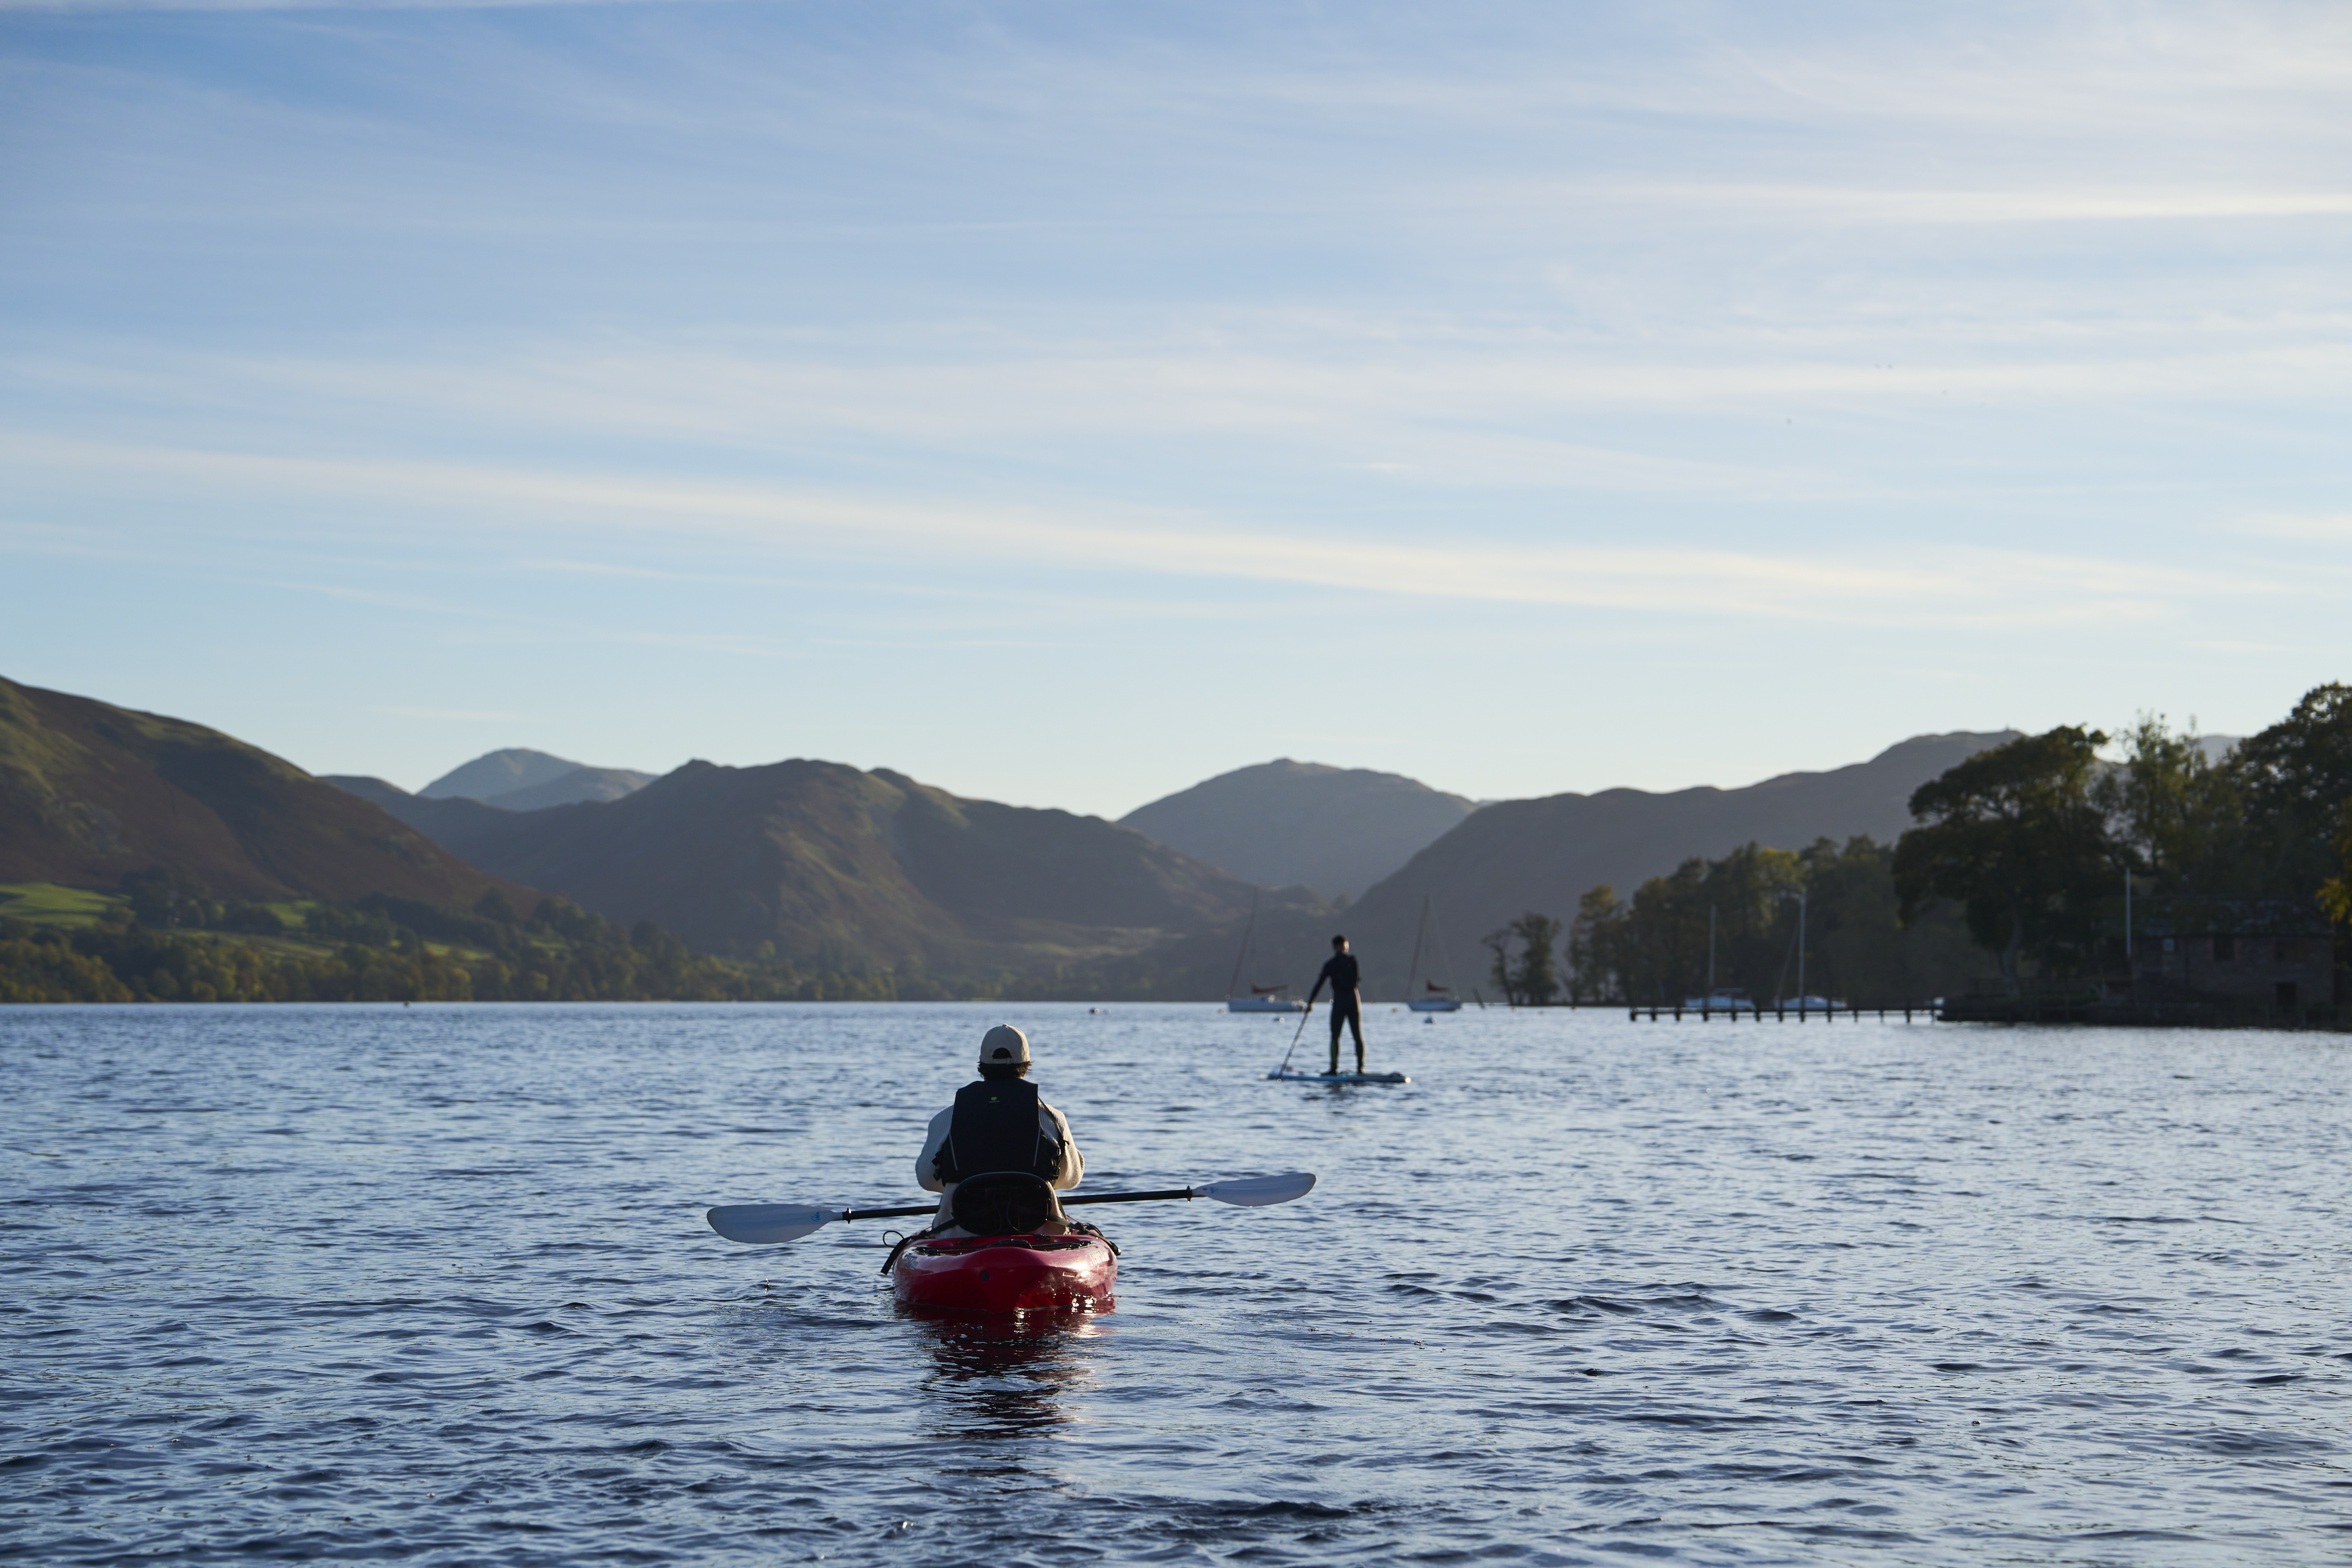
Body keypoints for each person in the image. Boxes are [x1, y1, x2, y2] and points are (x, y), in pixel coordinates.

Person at [916, 1024, 1084, 1235]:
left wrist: (968, 1184)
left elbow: (927, 1179)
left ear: (982, 1065)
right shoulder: (1053, 1117)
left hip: (962, 1232)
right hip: (1037, 1231)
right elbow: (1072, 1179)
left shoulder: (945, 1119)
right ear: (1026, 1064)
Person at [1305, 934, 1365, 1075]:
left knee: (1335, 1037)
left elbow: (1319, 985)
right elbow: (1356, 981)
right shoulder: (1353, 961)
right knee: (1357, 1036)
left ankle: (1333, 1069)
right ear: (1346, 946)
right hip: (1353, 1000)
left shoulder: (1330, 964)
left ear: (1334, 947)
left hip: (1339, 1002)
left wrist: (1310, 1003)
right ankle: (1360, 1069)